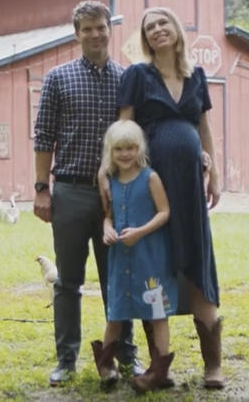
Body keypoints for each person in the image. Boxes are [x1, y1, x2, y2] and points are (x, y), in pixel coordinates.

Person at [32, 0, 142, 386]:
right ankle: (66, 359)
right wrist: (42, 189)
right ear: (76, 34)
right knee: (68, 282)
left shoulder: (127, 79)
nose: (95, 34)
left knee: (120, 278)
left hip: (118, 196)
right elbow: (44, 135)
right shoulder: (58, 78)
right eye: (87, 29)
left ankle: (126, 355)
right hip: (71, 193)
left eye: (101, 26)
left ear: (110, 29)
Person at [115, 6, 225, 389]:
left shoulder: (197, 76)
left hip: (192, 185)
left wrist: (215, 173)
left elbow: (204, 128)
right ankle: (159, 366)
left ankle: (213, 365)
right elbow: (124, 127)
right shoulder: (137, 75)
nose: (158, 30)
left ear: (176, 30)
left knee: (196, 257)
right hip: (153, 184)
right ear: (145, 39)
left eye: (164, 23)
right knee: (153, 265)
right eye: (150, 27)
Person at [93, 119, 176, 393]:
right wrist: (107, 229)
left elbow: (164, 212)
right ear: (110, 151)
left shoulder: (149, 177)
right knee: (115, 312)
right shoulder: (111, 182)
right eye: (119, 149)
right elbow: (109, 216)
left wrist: (140, 231)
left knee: (157, 312)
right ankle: (105, 364)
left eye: (130, 148)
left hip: (149, 257)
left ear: (139, 148)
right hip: (121, 259)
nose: (125, 154)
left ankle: (160, 370)